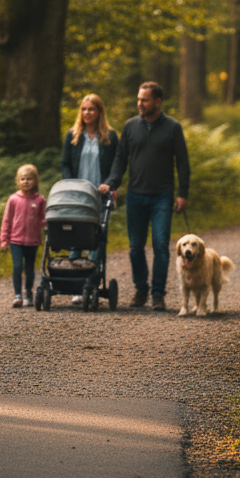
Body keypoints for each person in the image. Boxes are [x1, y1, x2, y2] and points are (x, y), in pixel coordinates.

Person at [101, 82, 189, 311]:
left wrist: (182, 194)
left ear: (157, 102)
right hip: (136, 195)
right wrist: (112, 183)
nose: (139, 104)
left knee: (160, 245)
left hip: (162, 196)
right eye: (138, 99)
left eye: (145, 100)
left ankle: (158, 294)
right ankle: (141, 290)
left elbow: (182, 162)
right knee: (135, 246)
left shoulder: (172, 127)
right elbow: (120, 159)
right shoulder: (130, 126)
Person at [61, 93, 119, 300]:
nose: (87, 113)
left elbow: (116, 165)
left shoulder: (110, 137)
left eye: (91, 109)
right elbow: (65, 164)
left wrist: (110, 184)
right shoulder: (73, 135)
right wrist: (71, 184)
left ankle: (91, 283)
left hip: (100, 196)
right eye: (84, 109)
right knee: (76, 237)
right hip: (78, 196)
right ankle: (75, 283)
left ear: (99, 112)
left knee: (96, 240)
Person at [0, 163, 46, 308]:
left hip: (32, 241)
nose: (26, 181)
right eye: (23, 179)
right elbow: (7, 220)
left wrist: (49, 228)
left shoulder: (40, 200)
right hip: (16, 240)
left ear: (36, 181)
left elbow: (43, 218)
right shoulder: (13, 199)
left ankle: (28, 292)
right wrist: (4, 240)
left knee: (30, 269)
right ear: (17, 181)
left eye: (29, 179)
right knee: (18, 266)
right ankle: (18, 295)